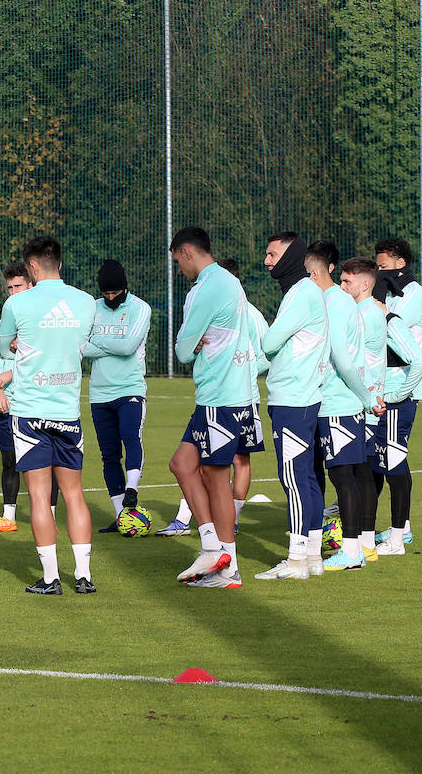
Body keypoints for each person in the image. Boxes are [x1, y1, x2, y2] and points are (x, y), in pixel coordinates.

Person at [0, 236, 97, 593]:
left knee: (39, 495)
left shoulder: (20, 303)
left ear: (33, 268)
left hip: (30, 413)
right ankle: (83, 577)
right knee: (74, 494)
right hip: (67, 411)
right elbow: (88, 343)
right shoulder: (86, 302)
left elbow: (2, 345)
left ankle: (52, 578)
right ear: (59, 262)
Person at [167, 227, 254, 589]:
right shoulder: (230, 282)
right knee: (183, 464)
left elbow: (183, 351)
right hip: (226, 395)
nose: (178, 270)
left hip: (220, 396)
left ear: (187, 252)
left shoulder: (205, 288)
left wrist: (190, 342)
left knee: (216, 480)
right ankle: (211, 548)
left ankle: (227, 566)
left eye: (177, 262)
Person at [157, 257, 267, 536]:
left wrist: (241, 367)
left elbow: (266, 356)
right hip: (215, 397)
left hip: (239, 398)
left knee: (233, 464)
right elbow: (187, 345)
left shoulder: (250, 314)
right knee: (192, 465)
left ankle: (226, 528)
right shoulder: (211, 305)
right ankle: (201, 528)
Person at [255, 232, 330, 581]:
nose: (267, 261)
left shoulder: (301, 293)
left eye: (272, 255)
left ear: (289, 256)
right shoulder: (303, 292)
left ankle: (297, 560)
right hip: (301, 397)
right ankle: (313, 555)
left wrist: (268, 347)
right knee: (308, 478)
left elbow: (270, 341)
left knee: (294, 478)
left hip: (293, 399)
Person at [306, 242, 374, 571]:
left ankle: (351, 551)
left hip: (337, 403)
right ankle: (357, 546)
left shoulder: (333, 304)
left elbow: (343, 361)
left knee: (342, 477)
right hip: (342, 402)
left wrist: (365, 397)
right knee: (346, 476)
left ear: (316, 272)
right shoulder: (343, 303)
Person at [81, 259, 151, 533]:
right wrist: (109, 346)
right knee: (109, 455)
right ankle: (122, 516)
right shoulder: (93, 308)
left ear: (125, 288)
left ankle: (131, 489)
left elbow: (129, 346)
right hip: (99, 394)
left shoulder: (140, 308)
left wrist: (98, 343)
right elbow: (81, 348)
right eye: (106, 293)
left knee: (131, 439)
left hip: (130, 389)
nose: (110, 298)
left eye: (115, 293)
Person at [374, 237, 422, 545]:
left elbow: (391, 332)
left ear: (400, 264)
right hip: (381, 387)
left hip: (402, 387)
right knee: (379, 458)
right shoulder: (389, 291)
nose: (379, 272)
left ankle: (401, 530)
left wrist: (375, 312)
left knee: (393, 458)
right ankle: (394, 526)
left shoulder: (414, 294)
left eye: (383, 266)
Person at [0, 263, 38, 533]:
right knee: (8, 461)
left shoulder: (40, 322)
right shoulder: (3, 325)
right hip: (8, 403)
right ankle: (8, 517)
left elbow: (41, 362)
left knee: (40, 464)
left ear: (31, 285)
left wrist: (10, 374)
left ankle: (48, 514)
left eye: (18, 286)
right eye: (10, 288)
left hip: (35, 403)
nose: (13, 292)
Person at [340, 258, 387, 560]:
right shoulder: (367, 311)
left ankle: (365, 542)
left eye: (347, 282)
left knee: (361, 473)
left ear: (365, 284)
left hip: (366, 401)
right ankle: (364, 541)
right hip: (366, 398)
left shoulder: (367, 314)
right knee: (362, 471)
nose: (343, 286)